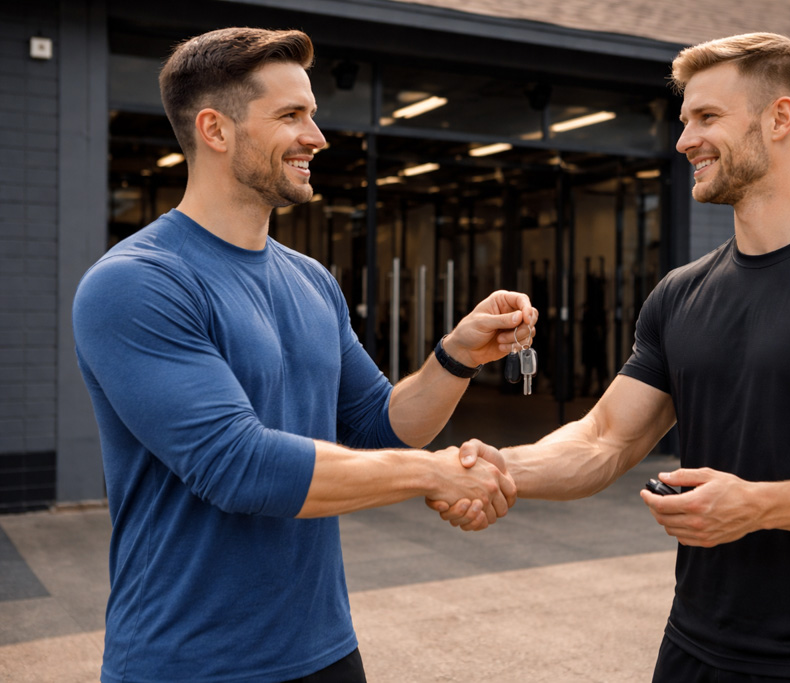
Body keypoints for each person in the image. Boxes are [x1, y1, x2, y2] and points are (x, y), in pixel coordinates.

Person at [435, 32, 790, 681]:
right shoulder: (679, 294)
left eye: (707, 117)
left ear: (779, 117)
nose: (683, 140)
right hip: (693, 649)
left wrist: (759, 504)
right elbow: (604, 438)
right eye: (684, 119)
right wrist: (494, 467)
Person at [72, 27, 533, 683]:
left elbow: (380, 425)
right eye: (291, 116)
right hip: (189, 661)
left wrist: (455, 356)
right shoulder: (138, 282)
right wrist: (434, 475)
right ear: (215, 129)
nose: (317, 136)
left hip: (324, 648)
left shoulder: (311, 280)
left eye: (311, 114)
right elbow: (238, 466)